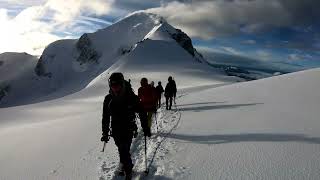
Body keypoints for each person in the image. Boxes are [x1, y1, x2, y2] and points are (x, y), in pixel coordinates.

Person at [101, 72, 151, 180]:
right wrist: (105, 133)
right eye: (112, 86)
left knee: (124, 149)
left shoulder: (131, 97)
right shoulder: (108, 99)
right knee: (122, 149)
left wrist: (145, 127)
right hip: (115, 129)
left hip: (128, 127)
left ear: (122, 84)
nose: (115, 88)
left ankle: (128, 172)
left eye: (117, 86)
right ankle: (126, 164)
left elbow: (142, 111)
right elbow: (105, 117)